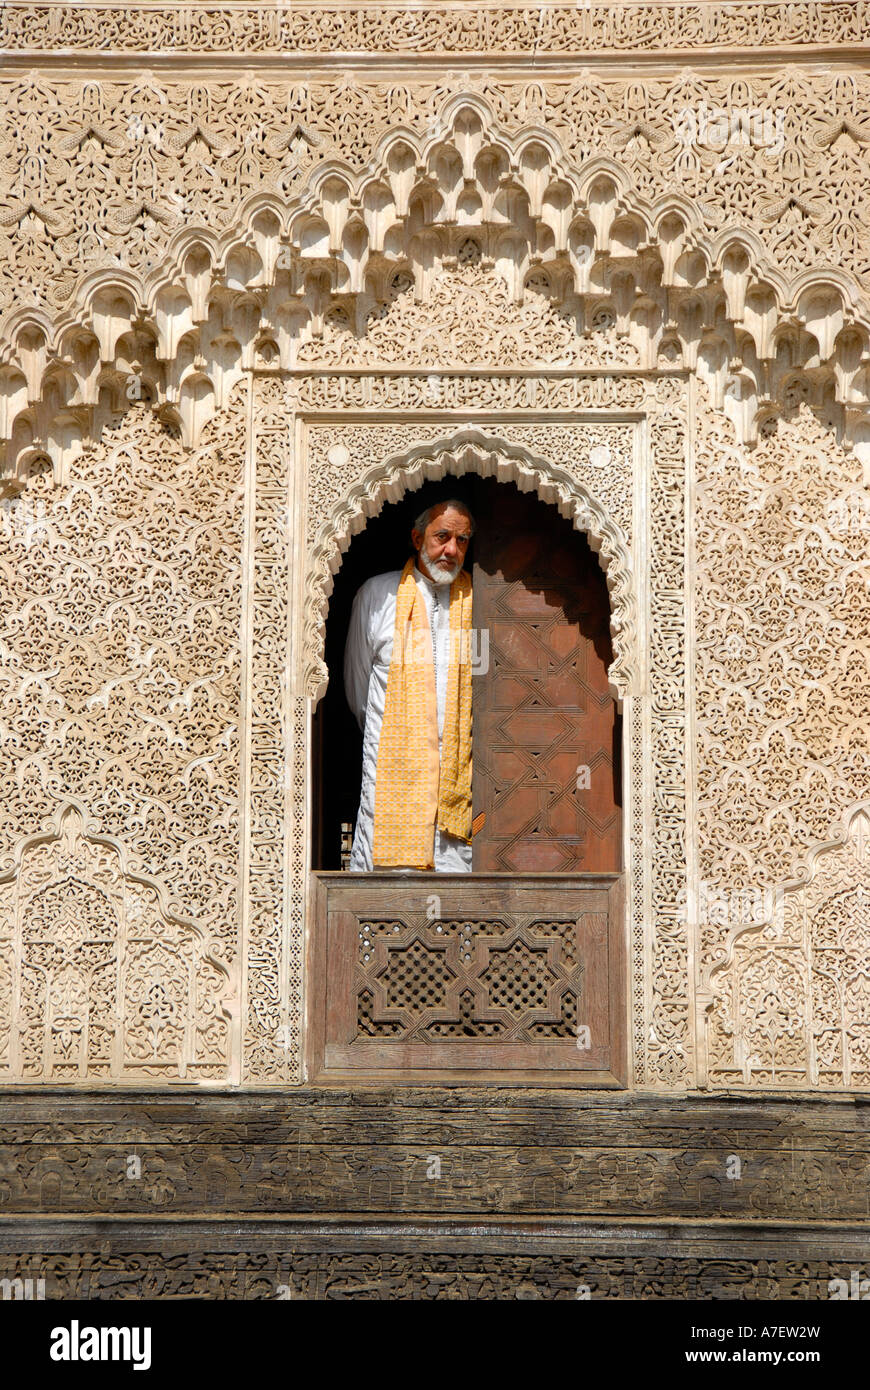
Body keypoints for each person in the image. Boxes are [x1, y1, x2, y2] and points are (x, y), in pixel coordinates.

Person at [343, 499, 475, 872]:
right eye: (442, 537)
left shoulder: (479, 602)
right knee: (388, 896)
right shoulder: (377, 595)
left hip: (458, 777)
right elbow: (358, 692)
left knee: (458, 896)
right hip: (392, 770)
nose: (451, 550)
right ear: (418, 539)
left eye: (462, 540)